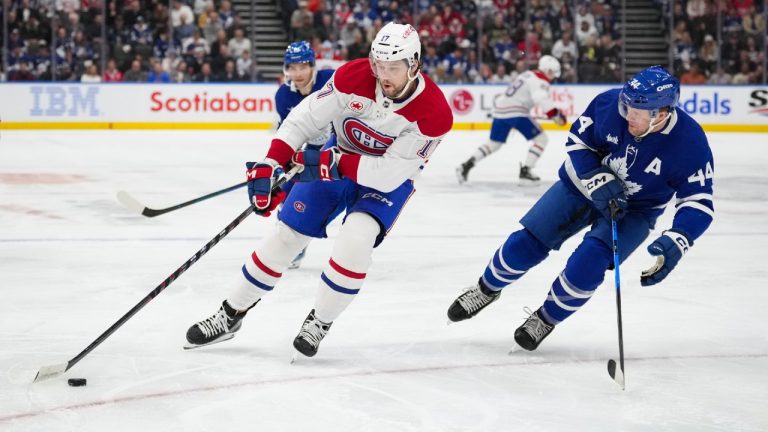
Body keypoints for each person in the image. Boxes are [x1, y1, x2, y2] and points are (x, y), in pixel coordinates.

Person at [186, 22, 453, 358]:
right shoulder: (352, 77)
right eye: (378, 64)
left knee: (355, 241)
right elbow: (305, 118)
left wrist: (334, 162)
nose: (383, 74)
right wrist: (273, 161)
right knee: (285, 237)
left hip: (384, 183)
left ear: (414, 64)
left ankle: (320, 320)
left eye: (393, 67)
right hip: (336, 159)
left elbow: (387, 175)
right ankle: (230, 314)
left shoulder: (434, 113)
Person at [446, 66, 714, 352]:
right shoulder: (611, 104)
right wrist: (595, 176)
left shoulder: (691, 143)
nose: (628, 117)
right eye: (627, 107)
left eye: (637, 113)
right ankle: (485, 289)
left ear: (661, 114)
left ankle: (545, 319)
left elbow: (699, 201)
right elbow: (578, 141)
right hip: (579, 185)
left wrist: (680, 237)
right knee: (529, 240)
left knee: (588, 265)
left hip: (635, 210)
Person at [456, 55, 567, 184]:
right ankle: (526, 171)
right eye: (553, 73)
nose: (553, 77)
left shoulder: (527, 74)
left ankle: (466, 165)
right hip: (516, 112)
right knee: (542, 139)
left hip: (500, 110)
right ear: (548, 70)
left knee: (494, 144)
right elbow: (540, 98)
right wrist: (555, 114)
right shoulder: (540, 81)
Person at [275, 40, 336, 269]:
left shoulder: (330, 80)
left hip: (340, 147)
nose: (297, 73)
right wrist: (283, 163)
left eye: (302, 66)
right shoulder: (283, 95)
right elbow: (287, 133)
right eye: (292, 67)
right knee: (286, 195)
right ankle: (294, 245)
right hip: (309, 151)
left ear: (312, 66)